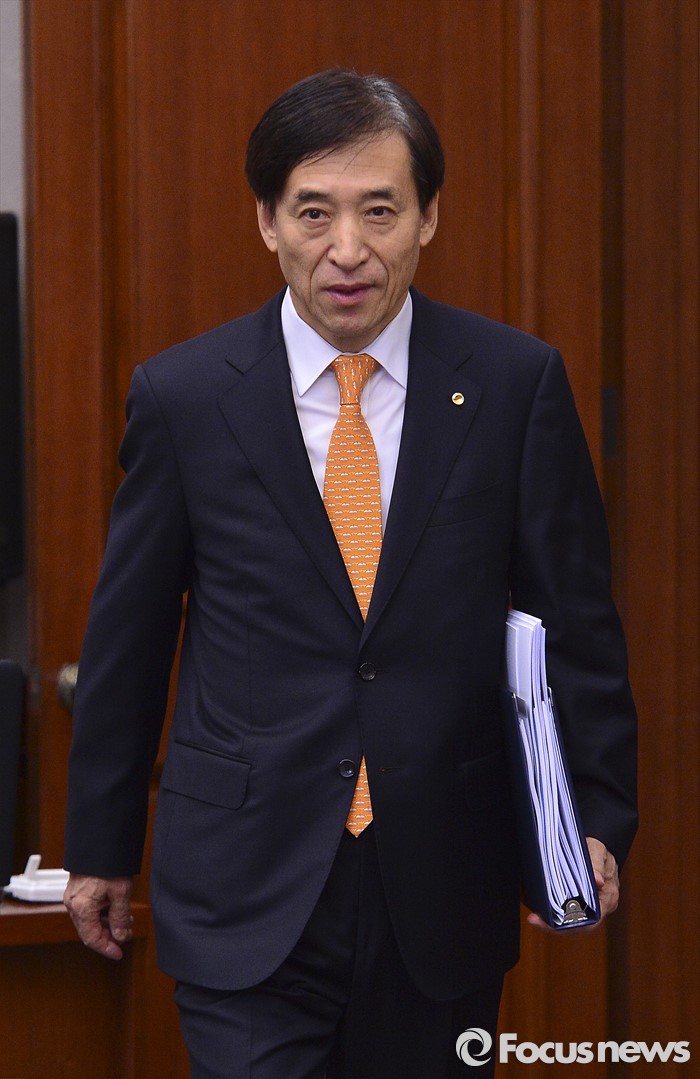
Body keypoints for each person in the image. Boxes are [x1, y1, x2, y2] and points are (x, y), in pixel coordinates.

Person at [63, 69, 637, 1079]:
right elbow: (129, 641)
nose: (346, 249)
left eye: (379, 210)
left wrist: (590, 816)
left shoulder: (513, 385)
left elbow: (574, 623)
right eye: (313, 212)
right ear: (266, 221)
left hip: (444, 876)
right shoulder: (185, 396)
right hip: (245, 877)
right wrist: (100, 846)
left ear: (428, 217)